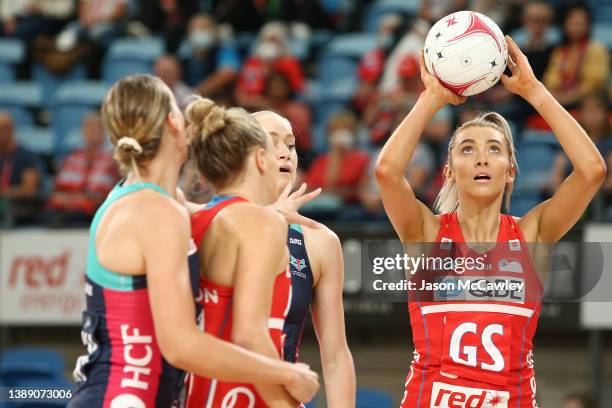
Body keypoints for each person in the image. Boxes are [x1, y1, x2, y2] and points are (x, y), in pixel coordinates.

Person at [375, 37, 606, 407]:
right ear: (449, 171)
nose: (482, 158)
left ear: (511, 170)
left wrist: (533, 89)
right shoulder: (428, 233)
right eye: (467, 149)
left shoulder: (532, 233)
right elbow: (387, 172)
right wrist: (432, 97)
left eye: (494, 149)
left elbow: (592, 171)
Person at [68, 75, 318, 408]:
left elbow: (225, 212)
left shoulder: (151, 197)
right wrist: (285, 374)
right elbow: (181, 345)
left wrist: (271, 212)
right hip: (124, 395)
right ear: (174, 124)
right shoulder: (157, 211)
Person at [184, 98, 314, 407]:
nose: (283, 156)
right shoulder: (262, 222)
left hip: (195, 393)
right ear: (259, 158)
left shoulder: (194, 218)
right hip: (242, 395)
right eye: (273, 149)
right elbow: (250, 335)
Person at [253, 110, 356, 407]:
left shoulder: (319, 241)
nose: (286, 154)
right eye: (272, 143)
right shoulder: (216, 223)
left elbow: (336, 356)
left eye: (291, 144)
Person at [43, 112, 119, 227]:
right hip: (65, 208)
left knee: (80, 215)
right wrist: (71, 199)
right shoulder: (71, 158)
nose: (92, 131)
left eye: (97, 128)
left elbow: (113, 193)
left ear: (104, 133)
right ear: (82, 132)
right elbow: (57, 191)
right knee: (47, 215)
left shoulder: (113, 161)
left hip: (93, 212)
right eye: (88, 127)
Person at [543, 4, 609, 108]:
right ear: (565, 25)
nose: (576, 28)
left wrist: (567, 98)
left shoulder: (596, 49)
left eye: (580, 24)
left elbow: (593, 83)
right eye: (573, 23)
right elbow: (551, 79)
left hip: (587, 101)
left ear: (588, 26)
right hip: (560, 99)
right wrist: (553, 94)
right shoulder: (560, 50)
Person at [0, 111, 43, 225]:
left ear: (11, 130)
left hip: (20, 208)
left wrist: (4, 193)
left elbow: (30, 190)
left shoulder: (26, 156)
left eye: (1, 129)